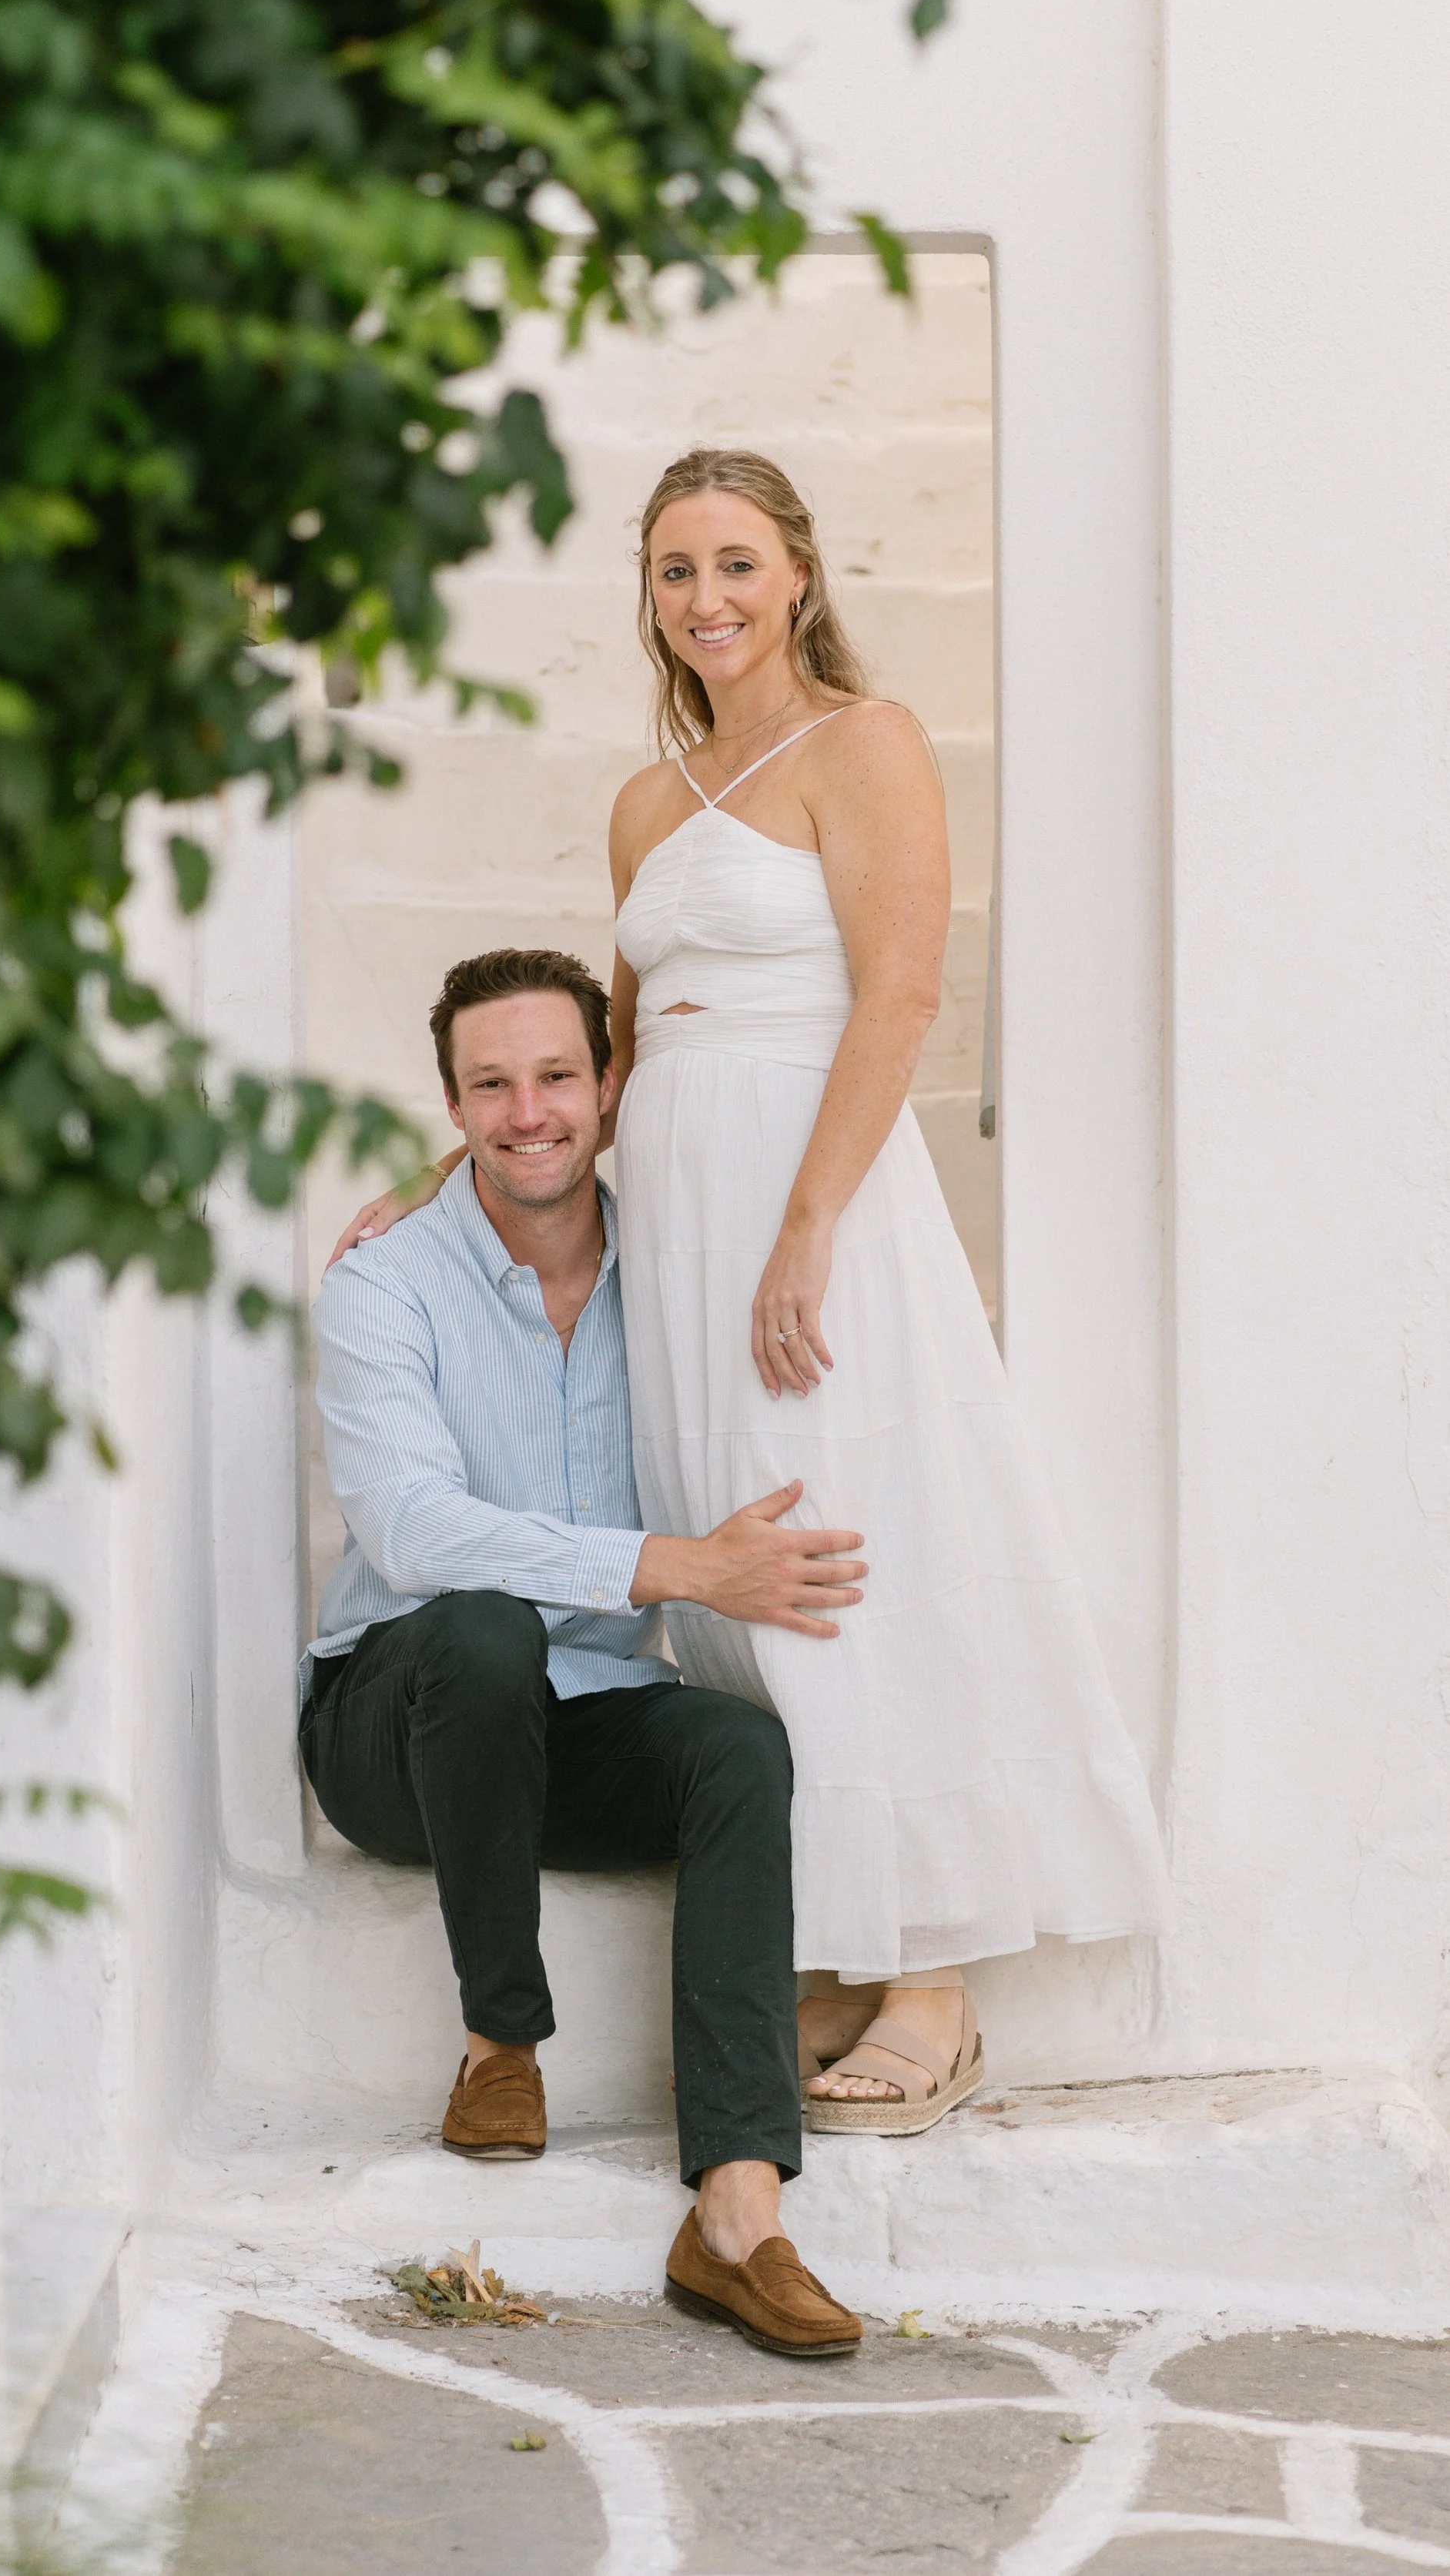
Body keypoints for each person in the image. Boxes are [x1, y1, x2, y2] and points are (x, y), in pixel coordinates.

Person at [333, 446, 1172, 2132]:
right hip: (690, 1202)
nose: (703, 600)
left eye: (731, 563)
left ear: (794, 571)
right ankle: (824, 1931)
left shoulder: (861, 746)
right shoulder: (648, 802)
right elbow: (622, 1045)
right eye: (669, 573)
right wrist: (456, 1172)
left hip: (817, 1193)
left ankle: (929, 1974)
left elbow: (901, 994)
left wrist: (805, 1227)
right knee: (735, 1552)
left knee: (863, 1530)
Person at [305, 949, 866, 2353]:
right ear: (452, 1104)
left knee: (738, 1748)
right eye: (489, 1084)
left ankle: (737, 2208)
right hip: (398, 1720)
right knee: (486, 1626)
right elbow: (420, 1535)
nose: (527, 1110)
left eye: (557, 1074)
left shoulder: (669, 1275)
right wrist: (683, 1568)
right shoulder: (384, 1281)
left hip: (578, 1714)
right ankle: (503, 2040)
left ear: (611, 1089)